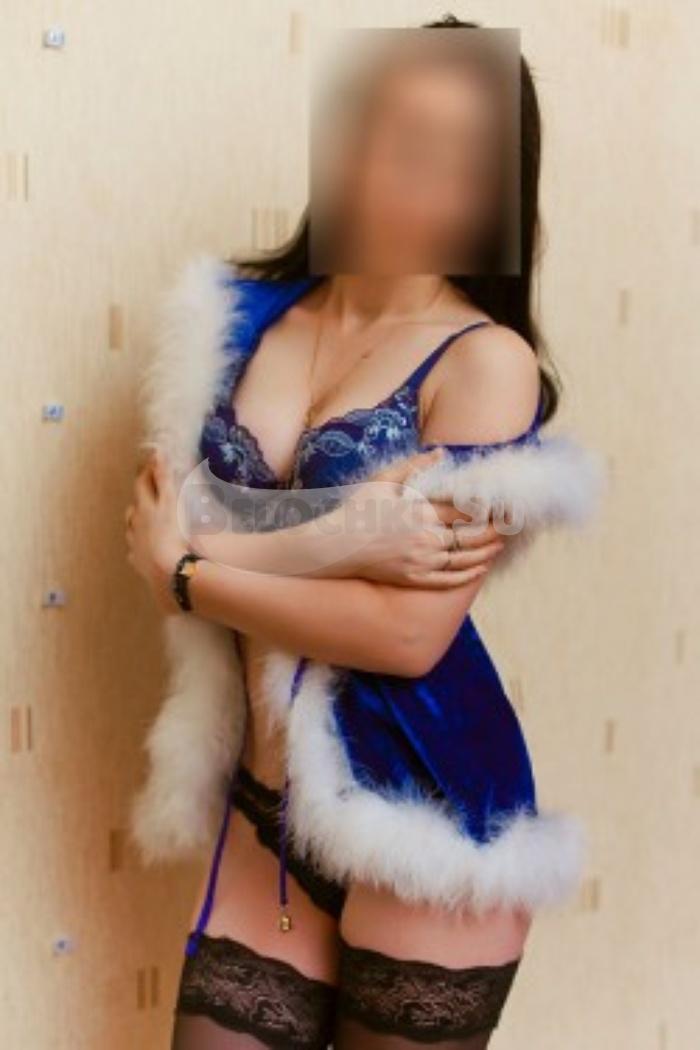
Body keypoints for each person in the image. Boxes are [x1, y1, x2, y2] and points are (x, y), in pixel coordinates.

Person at [124, 15, 602, 1049]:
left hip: (424, 812)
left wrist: (190, 574)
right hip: (264, 811)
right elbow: (163, 513)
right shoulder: (232, 319)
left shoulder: (485, 362)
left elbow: (407, 636)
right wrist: (341, 538)